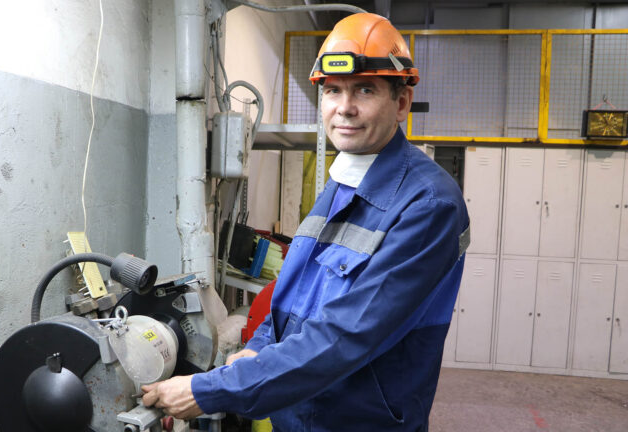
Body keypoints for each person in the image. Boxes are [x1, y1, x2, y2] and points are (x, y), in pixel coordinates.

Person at [142, 13, 470, 431]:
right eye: (333, 90)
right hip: (298, 415)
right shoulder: (343, 181)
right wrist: (260, 346)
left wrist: (209, 391)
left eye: (365, 89)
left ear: (401, 102)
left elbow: (347, 334)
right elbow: (294, 293)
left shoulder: (429, 205)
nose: (344, 108)